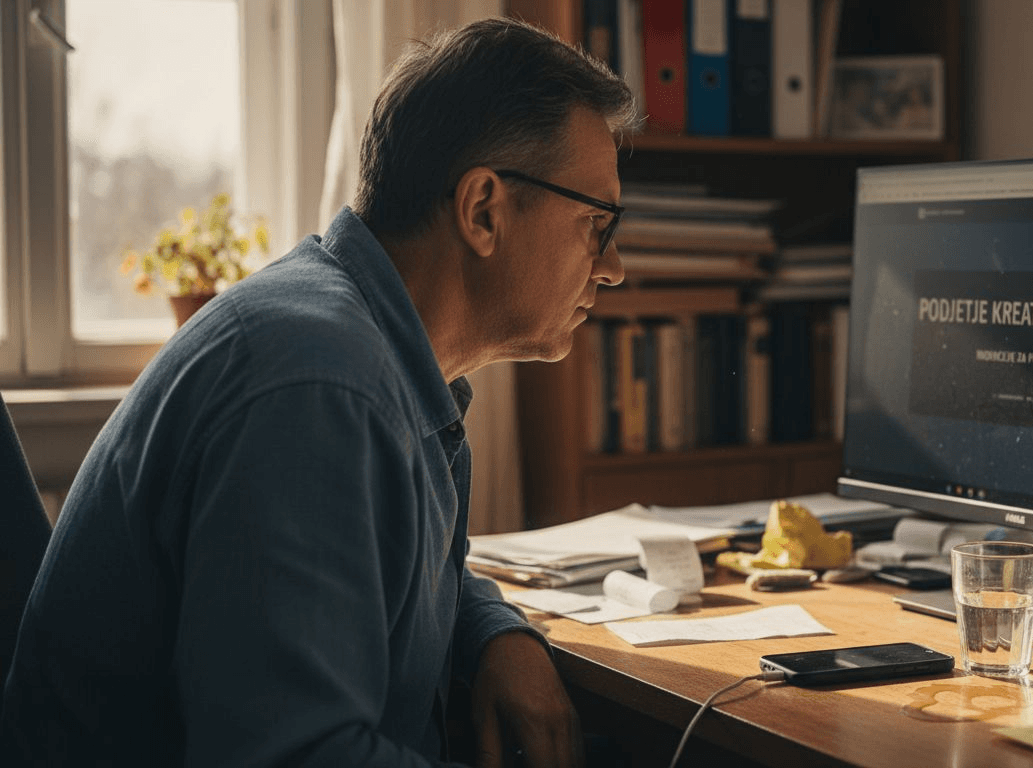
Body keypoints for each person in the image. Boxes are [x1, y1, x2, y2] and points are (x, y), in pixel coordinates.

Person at [1, 16, 636, 768]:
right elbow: (296, 754)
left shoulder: (368, 352)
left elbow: (374, 570)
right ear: (484, 211)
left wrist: (495, 631)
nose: (614, 265)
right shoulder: (318, 387)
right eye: (596, 224)